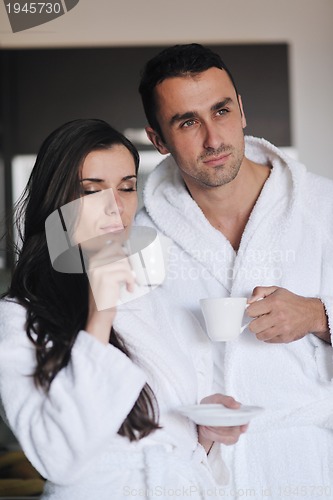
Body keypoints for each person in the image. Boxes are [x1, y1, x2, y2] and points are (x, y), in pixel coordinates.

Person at [0, 118, 246, 500]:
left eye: (128, 187)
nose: (115, 207)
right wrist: (99, 318)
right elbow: (59, 459)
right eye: (91, 190)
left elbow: (170, 439)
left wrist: (206, 431)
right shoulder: (19, 317)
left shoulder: (152, 296)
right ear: (56, 199)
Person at [133, 43, 333, 498]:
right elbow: (130, 374)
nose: (213, 138)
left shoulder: (324, 208)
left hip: (313, 469)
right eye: (187, 122)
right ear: (158, 139)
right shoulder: (141, 239)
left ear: (241, 110)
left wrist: (320, 316)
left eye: (221, 111)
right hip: (202, 477)